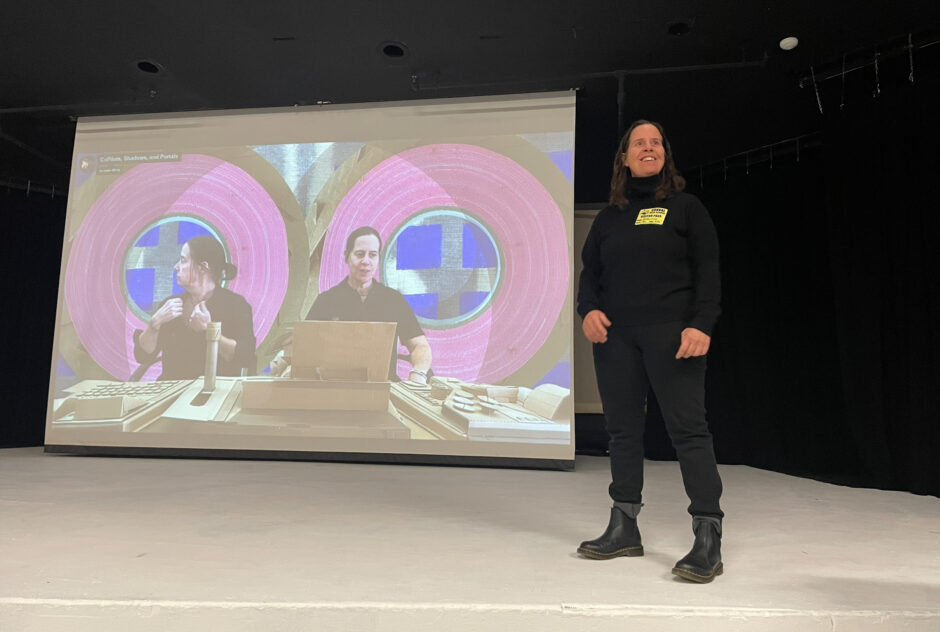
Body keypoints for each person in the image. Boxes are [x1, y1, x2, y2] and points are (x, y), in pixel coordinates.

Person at [576, 120, 724, 583]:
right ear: (624, 158)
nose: (648, 147)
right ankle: (624, 526)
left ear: (665, 155)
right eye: (639, 142)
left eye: (656, 141)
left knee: (688, 432)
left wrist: (701, 324)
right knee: (621, 432)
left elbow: (709, 270)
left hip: (673, 335)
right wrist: (588, 310)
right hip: (617, 337)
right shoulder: (607, 219)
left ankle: (708, 536)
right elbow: (589, 275)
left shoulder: (686, 208)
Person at [305, 226, 432, 383]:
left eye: (372, 255)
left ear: (378, 259)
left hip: (385, 389)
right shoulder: (326, 300)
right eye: (359, 254)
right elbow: (306, 348)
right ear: (347, 257)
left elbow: (420, 346)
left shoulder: (393, 300)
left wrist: (418, 373)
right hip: (336, 390)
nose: (366, 261)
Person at [134, 235, 256, 380]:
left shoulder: (236, 305)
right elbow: (143, 356)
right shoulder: (171, 304)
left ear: (203, 267)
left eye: (183, 260)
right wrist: (154, 324)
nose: (176, 267)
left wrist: (209, 330)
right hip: (172, 394)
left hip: (216, 394)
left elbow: (245, 357)